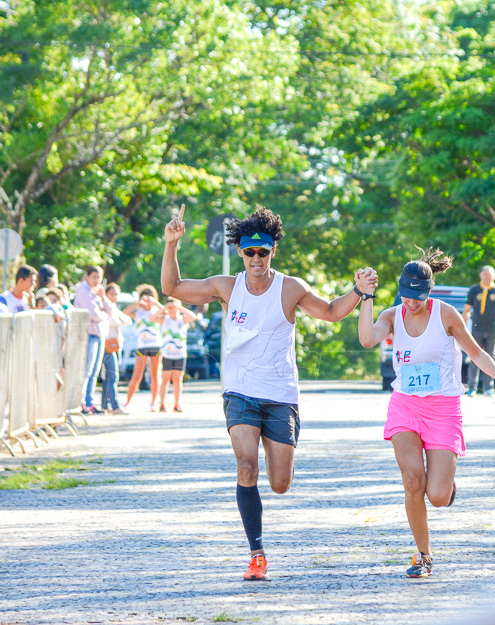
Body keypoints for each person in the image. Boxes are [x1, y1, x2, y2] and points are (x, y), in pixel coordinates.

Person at [160, 204, 378, 581]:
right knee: (246, 466)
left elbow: (329, 312)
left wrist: (358, 292)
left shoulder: (290, 287)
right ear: (241, 253)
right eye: (249, 252)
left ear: (273, 250)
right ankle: (256, 553)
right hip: (240, 393)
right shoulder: (225, 287)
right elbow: (172, 288)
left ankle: (275, 457)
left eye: (262, 251)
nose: (256, 258)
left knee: (280, 484)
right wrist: (171, 245)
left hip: (280, 395)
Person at [357, 248, 495, 578]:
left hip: (444, 409)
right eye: (406, 296)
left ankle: (446, 482)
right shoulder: (390, 315)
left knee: (438, 497)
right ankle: (423, 556)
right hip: (405, 405)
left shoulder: (446, 315)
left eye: (418, 297)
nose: (411, 303)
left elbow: (476, 352)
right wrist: (365, 297)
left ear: (429, 293)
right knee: (413, 482)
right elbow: (367, 339)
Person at [73, 265, 112, 415]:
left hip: (99, 334)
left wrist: (103, 298)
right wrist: (103, 315)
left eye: (99, 277)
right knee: (87, 370)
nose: (97, 280)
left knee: (95, 371)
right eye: (94, 277)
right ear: (87, 277)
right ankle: (81, 402)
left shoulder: (97, 293)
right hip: (89, 334)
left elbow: (110, 310)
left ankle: (90, 402)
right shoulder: (84, 291)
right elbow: (94, 314)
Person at [463, 266, 495, 395]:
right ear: (480, 275)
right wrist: (463, 328)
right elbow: (466, 310)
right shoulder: (474, 290)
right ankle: (472, 388)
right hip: (476, 329)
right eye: (485, 274)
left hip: (492, 329)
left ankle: (488, 387)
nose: (487, 277)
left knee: (490, 357)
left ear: (494, 276)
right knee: (474, 356)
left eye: (489, 274)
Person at [123, 286, 165, 411]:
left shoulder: (156, 312)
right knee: (137, 374)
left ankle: (153, 401)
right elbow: (124, 313)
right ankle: (128, 401)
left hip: (156, 345)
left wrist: (155, 302)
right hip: (142, 346)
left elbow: (166, 312)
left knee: (155, 374)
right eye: (144, 298)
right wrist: (137, 303)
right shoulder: (138, 313)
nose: (146, 302)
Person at [157, 298, 197, 412]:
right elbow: (152, 318)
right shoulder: (164, 320)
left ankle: (177, 403)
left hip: (180, 354)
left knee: (177, 379)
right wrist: (165, 308)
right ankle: (162, 404)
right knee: (165, 379)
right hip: (167, 353)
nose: (172, 311)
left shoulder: (182, 319)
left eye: (173, 308)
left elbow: (193, 316)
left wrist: (178, 307)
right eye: (170, 309)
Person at [102, 283, 130, 414]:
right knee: (112, 376)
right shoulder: (105, 307)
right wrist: (119, 319)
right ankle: (115, 405)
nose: (114, 297)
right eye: (111, 294)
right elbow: (113, 321)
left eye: (116, 294)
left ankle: (105, 404)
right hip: (108, 344)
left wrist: (119, 318)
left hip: (116, 344)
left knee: (109, 376)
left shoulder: (114, 308)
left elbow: (128, 320)